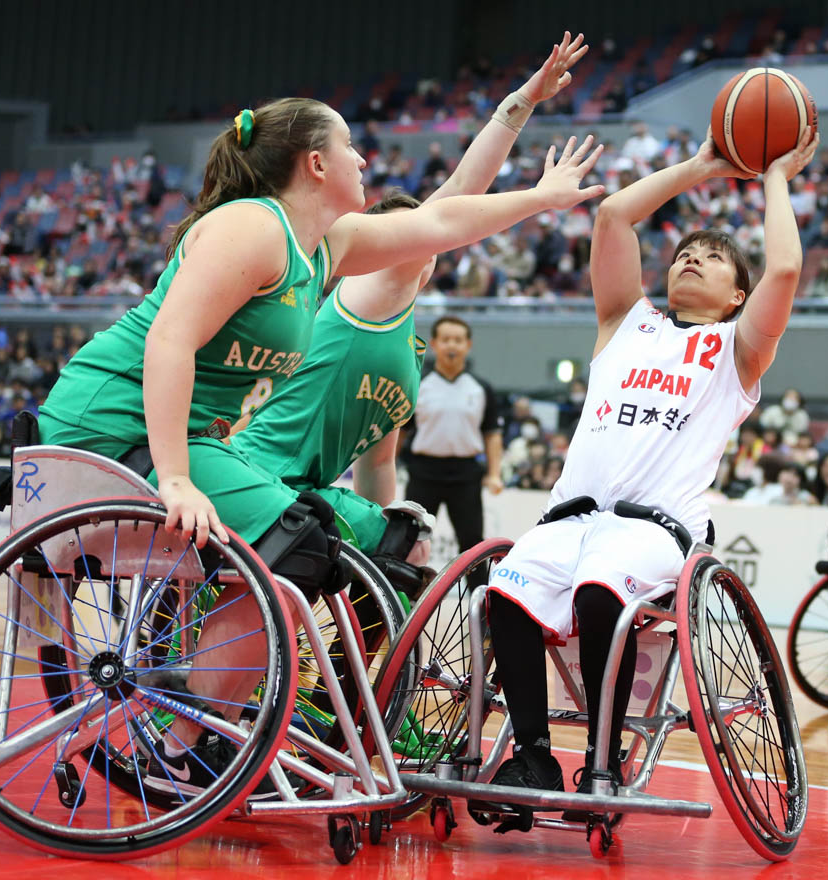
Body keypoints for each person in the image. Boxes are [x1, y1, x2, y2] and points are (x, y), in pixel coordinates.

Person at [36, 93, 605, 794]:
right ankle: (185, 725)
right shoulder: (252, 227)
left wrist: (541, 199)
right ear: (314, 163)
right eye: (350, 147)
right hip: (109, 426)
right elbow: (168, 340)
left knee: (310, 549)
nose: (365, 159)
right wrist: (178, 478)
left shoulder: (321, 249)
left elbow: (444, 218)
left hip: (175, 437)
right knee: (303, 540)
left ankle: (192, 723)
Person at [466, 125, 819, 826]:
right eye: (685, 252)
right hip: (570, 517)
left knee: (602, 594)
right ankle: (533, 754)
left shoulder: (738, 348)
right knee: (500, 593)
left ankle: (604, 760)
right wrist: (700, 166)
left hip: (655, 529)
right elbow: (612, 216)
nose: (691, 260)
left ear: (734, 296)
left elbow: (782, 272)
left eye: (713, 259)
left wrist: (773, 175)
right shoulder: (625, 322)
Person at [230, 33, 592, 576]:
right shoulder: (368, 287)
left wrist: (382, 540)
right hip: (264, 476)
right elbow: (462, 191)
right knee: (407, 548)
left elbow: (377, 463)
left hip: (306, 490)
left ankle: (361, 660)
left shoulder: (407, 343)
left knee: (401, 544)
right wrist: (519, 106)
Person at [402, 315, 505, 552]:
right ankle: (400, 590)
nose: (452, 345)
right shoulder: (418, 383)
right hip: (423, 473)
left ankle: (479, 590)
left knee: (472, 542)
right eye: (446, 339)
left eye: (458, 340)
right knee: (409, 539)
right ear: (434, 343)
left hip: (466, 474)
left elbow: (492, 434)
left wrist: (494, 473)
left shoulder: (481, 388)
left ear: (468, 345)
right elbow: (400, 431)